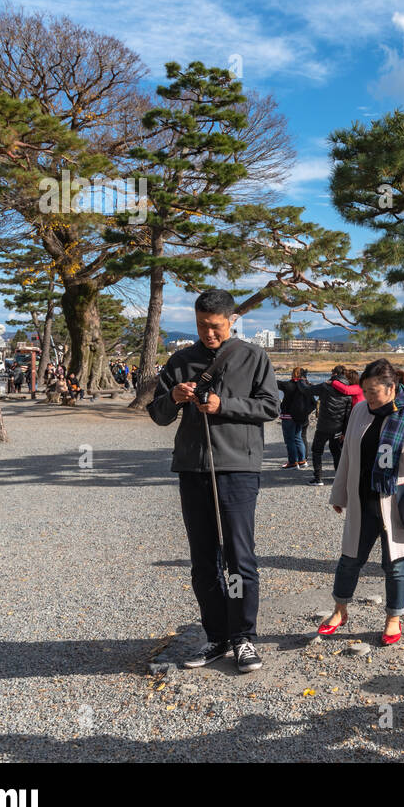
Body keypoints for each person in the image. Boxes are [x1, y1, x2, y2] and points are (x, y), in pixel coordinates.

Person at [147, 289, 280, 674]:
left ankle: (243, 637)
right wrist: (173, 395)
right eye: (203, 326)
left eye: (217, 327)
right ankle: (218, 636)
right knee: (204, 561)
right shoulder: (181, 360)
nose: (209, 334)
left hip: (238, 468)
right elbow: (157, 415)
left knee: (240, 559)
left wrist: (225, 405)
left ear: (232, 321)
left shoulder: (253, 357)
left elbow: (271, 407)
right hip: (192, 467)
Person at [319, 360, 404, 647]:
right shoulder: (361, 410)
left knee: (395, 564)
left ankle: (393, 618)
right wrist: (339, 494)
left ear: (392, 387)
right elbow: (348, 454)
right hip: (363, 499)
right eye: (366, 391)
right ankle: (339, 611)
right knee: (349, 559)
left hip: (396, 503)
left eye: (374, 392)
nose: (369, 397)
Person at [309, 365, 363, 486]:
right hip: (340, 426)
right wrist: (344, 431)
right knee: (337, 451)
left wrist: (331, 381)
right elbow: (347, 414)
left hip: (329, 426)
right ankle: (340, 478)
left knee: (318, 451)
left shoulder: (353, 389)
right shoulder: (350, 391)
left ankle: (318, 478)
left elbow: (345, 390)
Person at [277, 366, 313, 469]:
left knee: (289, 439)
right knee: (298, 438)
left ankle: (293, 462)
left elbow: (276, 384)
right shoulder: (306, 386)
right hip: (301, 416)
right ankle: (302, 461)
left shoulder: (289, 385)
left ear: (294, 374)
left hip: (288, 416)